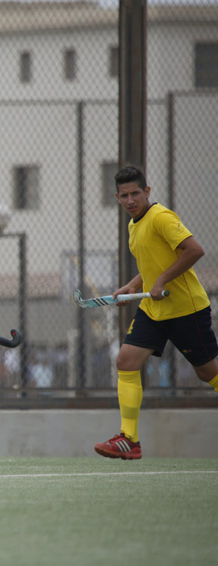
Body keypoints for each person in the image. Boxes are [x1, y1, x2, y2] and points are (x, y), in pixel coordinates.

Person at [94, 165, 218, 460]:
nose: (130, 200)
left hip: (185, 308)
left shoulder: (161, 217)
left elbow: (194, 250)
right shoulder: (133, 225)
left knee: (207, 372)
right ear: (117, 197)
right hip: (153, 309)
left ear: (147, 192)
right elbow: (152, 265)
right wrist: (131, 285)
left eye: (135, 193)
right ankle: (129, 440)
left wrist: (161, 281)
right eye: (124, 195)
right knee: (125, 361)